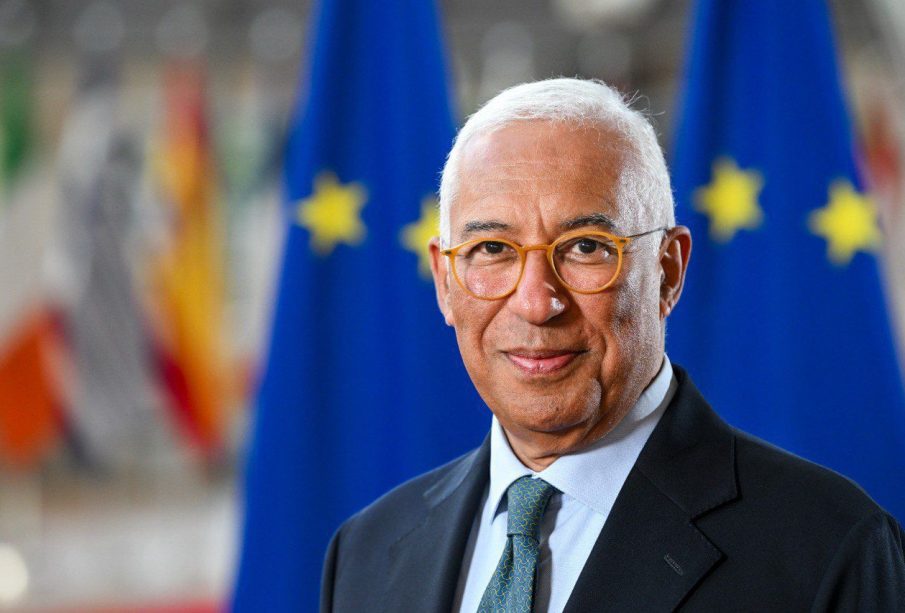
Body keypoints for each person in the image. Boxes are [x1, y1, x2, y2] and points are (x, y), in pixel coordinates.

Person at [319, 78, 905, 612]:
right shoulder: (366, 553)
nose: (537, 303)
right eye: (492, 250)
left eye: (586, 247)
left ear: (668, 272)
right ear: (445, 283)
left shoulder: (827, 548)